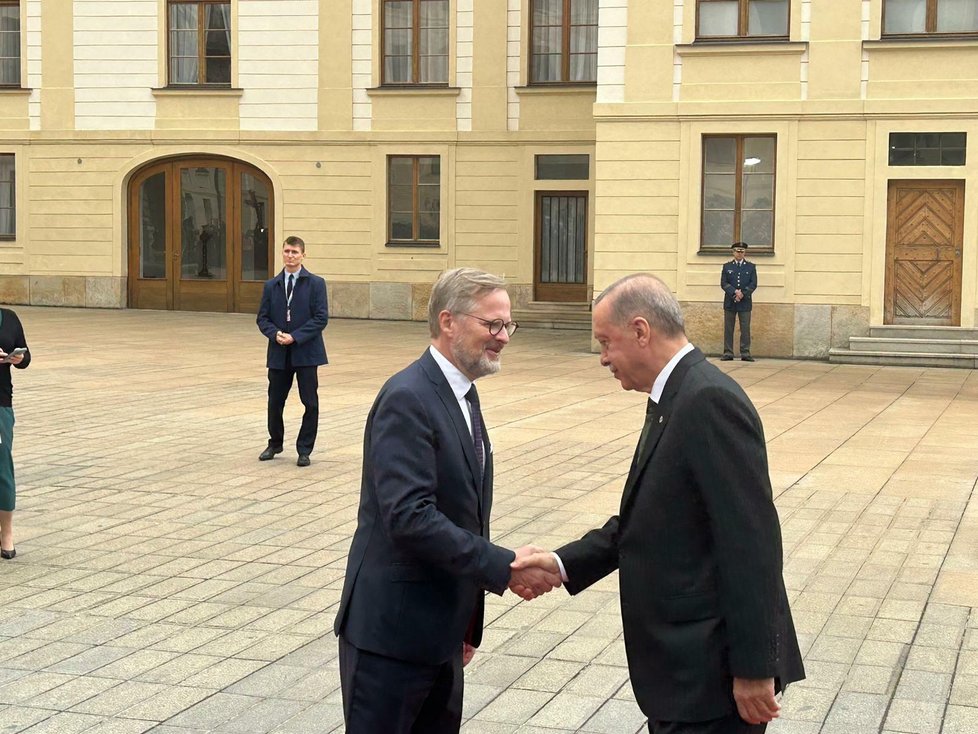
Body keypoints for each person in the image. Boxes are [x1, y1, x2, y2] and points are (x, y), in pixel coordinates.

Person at [512, 273, 804, 733]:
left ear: (641, 331)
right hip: (685, 677)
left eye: (607, 342)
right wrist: (561, 563)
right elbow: (650, 517)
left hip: (712, 678)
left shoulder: (707, 400)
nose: (604, 357)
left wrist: (753, 667)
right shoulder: (676, 394)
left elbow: (752, 544)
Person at [333, 268, 561, 734]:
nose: (503, 338)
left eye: (508, 326)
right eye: (492, 325)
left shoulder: (462, 394)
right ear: (448, 321)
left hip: (440, 634)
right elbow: (410, 517)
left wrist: (465, 624)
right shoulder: (407, 396)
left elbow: (465, 514)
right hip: (392, 639)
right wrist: (504, 564)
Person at [256, 235, 328, 467]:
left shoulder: (316, 283)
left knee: (310, 402)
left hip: (306, 353)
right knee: (275, 401)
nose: (290, 256)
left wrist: (295, 337)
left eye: (295, 252)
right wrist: (275, 334)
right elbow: (262, 318)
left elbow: (320, 318)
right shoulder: (271, 285)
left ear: (303, 255)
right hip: (279, 353)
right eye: (287, 251)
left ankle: (304, 449)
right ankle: (275, 443)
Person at [0, 307, 31, 560]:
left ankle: (6, 534)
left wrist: (19, 359)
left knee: (2, 469)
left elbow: (26, 355)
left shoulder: (9, 318)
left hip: (1, 404)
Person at [721, 241, 757, 361]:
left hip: (745, 302)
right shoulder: (727, 267)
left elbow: (753, 284)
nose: (739, 253)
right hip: (730, 302)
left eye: (742, 251)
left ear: (745, 252)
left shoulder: (751, 267)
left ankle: (745, 353)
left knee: (745, 328)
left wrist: (743, 293)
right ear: (733, 252)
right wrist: (734, 292)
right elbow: (724, 283)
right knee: (728, 328)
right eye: (737, 251)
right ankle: (728, 352)